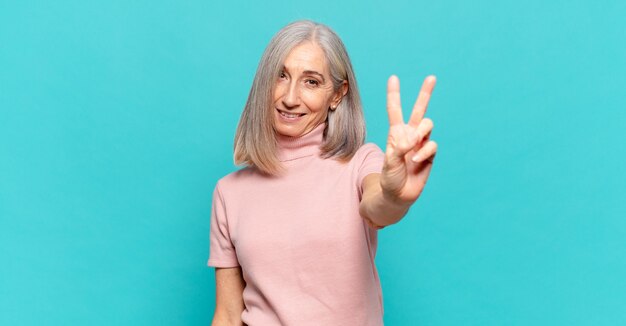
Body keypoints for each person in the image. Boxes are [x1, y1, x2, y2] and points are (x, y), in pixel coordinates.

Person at [207, 19, 437, 326]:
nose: (289, 97)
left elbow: (377, 208)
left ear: (338, 94)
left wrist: (396, 196)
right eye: (281, 76)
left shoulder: (361, 163)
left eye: (311, 82)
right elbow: (227, 316)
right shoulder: (229, 192)